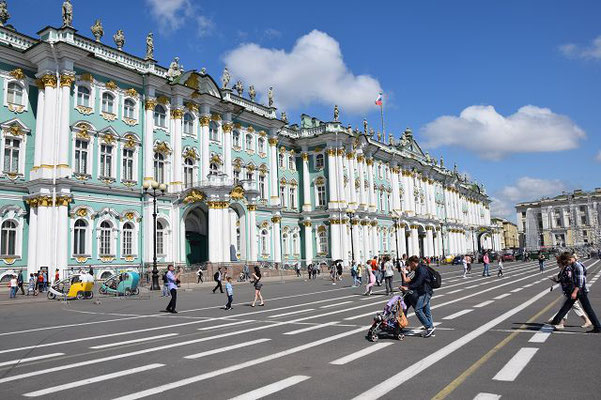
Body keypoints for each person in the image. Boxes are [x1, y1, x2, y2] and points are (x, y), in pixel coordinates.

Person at [550, 253, 601, 333]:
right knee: (566, 306)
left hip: (580, 291)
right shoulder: (572, 266)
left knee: (585, 309)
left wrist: (574, 292)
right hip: (577, 290)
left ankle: (598, 327)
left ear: (570, 259)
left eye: (567, 262)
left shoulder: (578, 266)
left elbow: (580, 282)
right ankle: (556, 320)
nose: (566, 264)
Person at [401, 255, 435, 337]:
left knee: (418, 310)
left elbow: (419, 282)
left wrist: (408, 287)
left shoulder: (421, 269)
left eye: (409, 264)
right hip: (424, 291)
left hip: (425, 292)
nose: (409, 266)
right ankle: (431, 327)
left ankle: (429, 327)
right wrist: (407, 287)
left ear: (413, 263)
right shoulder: (418, 268)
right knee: (426, 311)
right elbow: (414, 281)